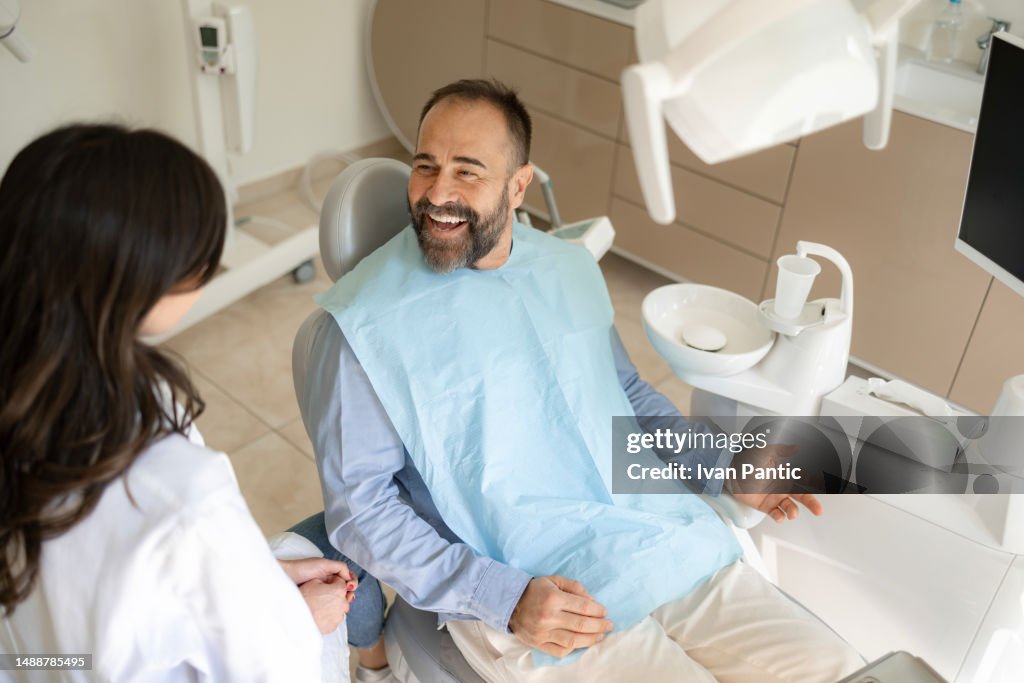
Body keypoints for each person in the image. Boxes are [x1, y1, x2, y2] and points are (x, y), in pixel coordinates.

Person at [301, 79, 865, 682]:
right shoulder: (365, 327)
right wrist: (505, 597)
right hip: (535, 589)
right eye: (425, 165)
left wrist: (724, 466)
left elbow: (627, 398)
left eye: (468, 172)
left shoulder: (565, 268)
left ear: (519, 186)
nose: (438, 193)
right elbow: (361, 510)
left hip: (656, 539)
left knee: (839, 670)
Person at [0, 124, 356, 681]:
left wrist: (253, 576)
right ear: (140, 282)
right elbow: (274, 668)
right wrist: (297, 617)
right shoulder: (178, 493)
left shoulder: (24, 395)